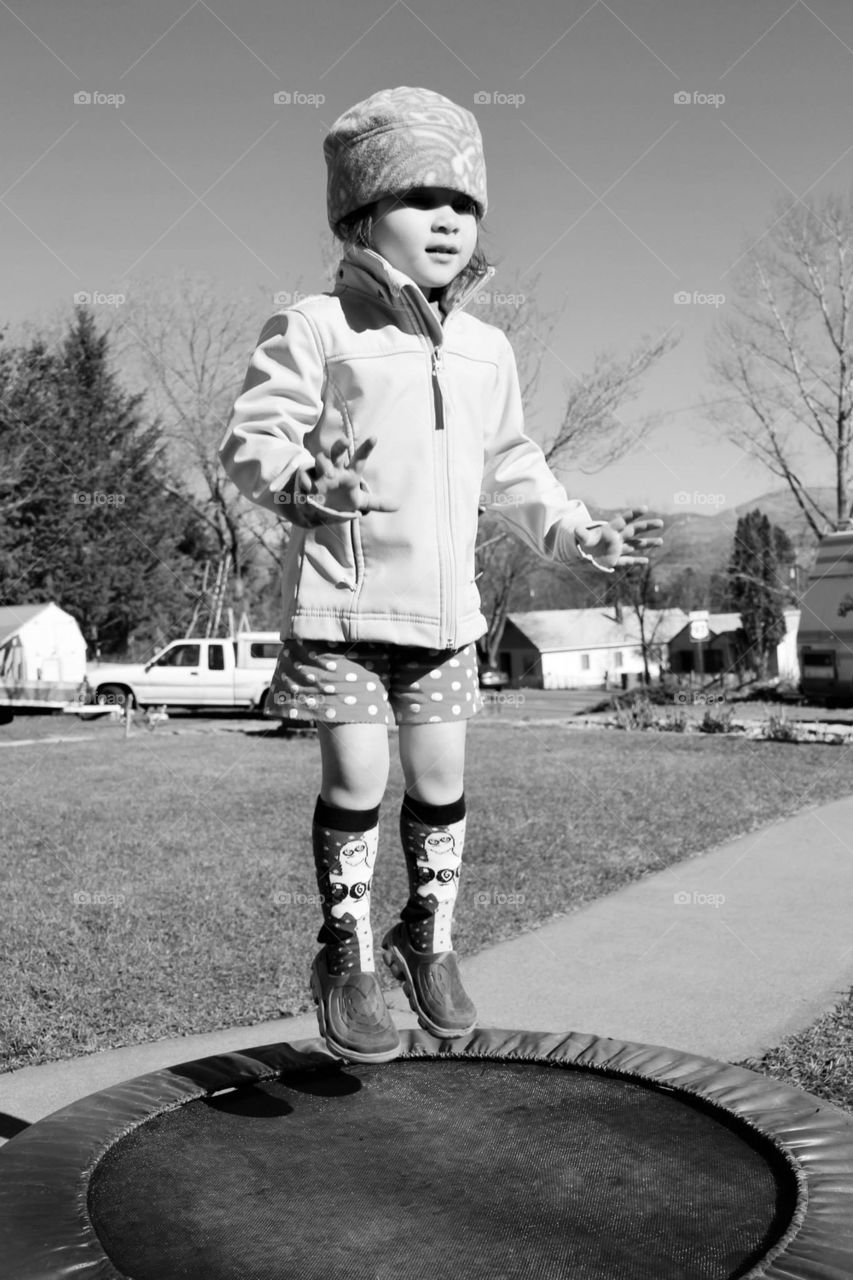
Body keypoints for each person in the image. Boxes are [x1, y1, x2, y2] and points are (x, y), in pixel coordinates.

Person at [219, 86, 663, 1064]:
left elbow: (514, 465)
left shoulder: (485, 351)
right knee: (359, 767)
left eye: (464, 205)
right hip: (342, 609)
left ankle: (427, 937)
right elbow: (253, 437)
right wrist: (302, 481)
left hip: (446, 618)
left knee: (440, 774)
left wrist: (575, 533)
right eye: (424, 200)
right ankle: (344, 951)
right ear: (360, 214)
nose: (450, 220)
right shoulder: (317, 325)